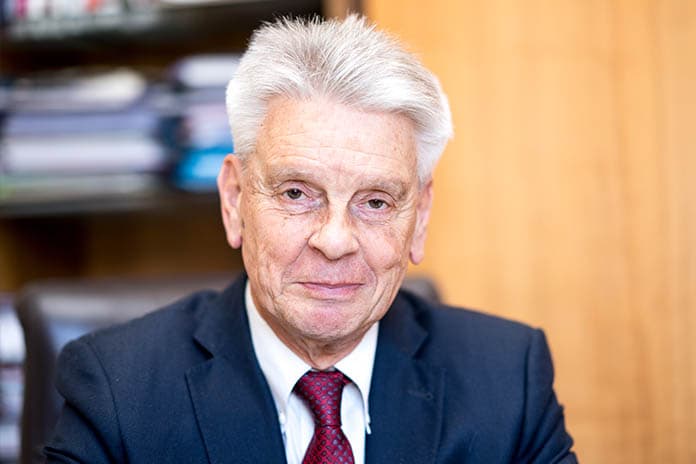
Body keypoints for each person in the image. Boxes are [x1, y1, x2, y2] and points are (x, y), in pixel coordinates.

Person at [45, 15, 577, 464]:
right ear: (234, 200)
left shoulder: (509, 380)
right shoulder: (117, 391)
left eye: (376, 202)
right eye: (297, 193)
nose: (336, 240)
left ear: (418, 218)